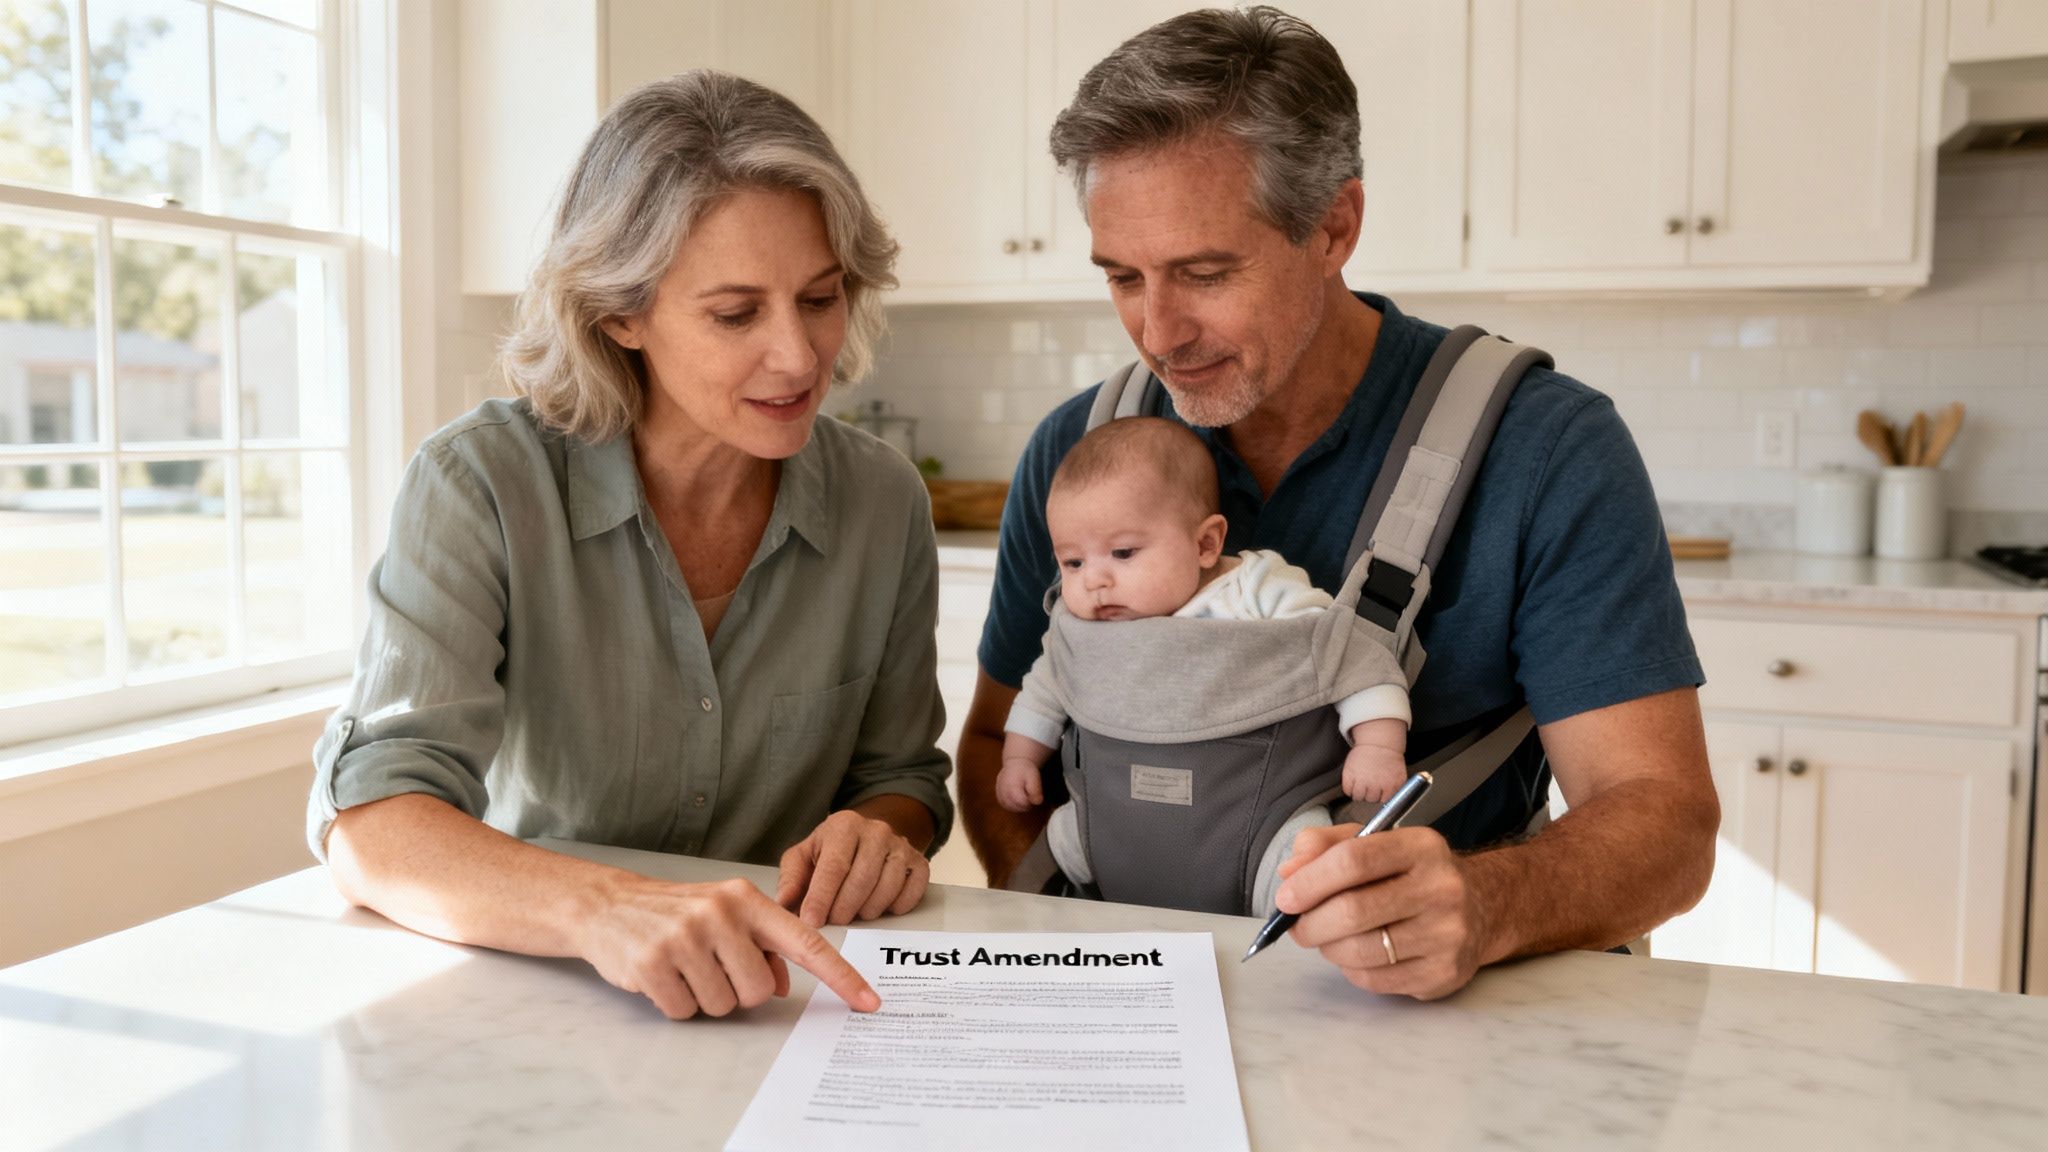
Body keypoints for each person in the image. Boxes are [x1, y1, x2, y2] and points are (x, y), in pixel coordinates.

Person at [958, 7, 1718, 1000]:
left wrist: (1487, 904)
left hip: (1435, 1016)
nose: (1157, 331)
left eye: (1203, 272)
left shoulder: (1545, 448)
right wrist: (1074, 939)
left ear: (1334, 226)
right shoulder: (1077, 449)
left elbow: (1661, 820)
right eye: (1120, 277)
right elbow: (992, 745)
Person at [307, 72, 952, 1022]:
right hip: (545, 993)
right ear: (620, 311)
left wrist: (882, 832)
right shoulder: (479, 482)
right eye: (736, 313)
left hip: (785, 1009)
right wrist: (604, 910)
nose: (800, 355)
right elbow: (372, 828)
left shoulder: (882, 500)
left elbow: (901, 780)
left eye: (820, 298)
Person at [993, 417, 1410, 915]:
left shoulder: (1254, 592)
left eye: (1123, 553)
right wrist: (1020, 757)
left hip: (1261, 824)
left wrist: (1378, 746)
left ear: (1206, 544)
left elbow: (1350, 656)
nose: (1095, 581)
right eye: (1072, 562)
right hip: (1109, 825)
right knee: (1060, 843)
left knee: (1307, 864)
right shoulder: (1083, 626)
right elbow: (1045, 687)